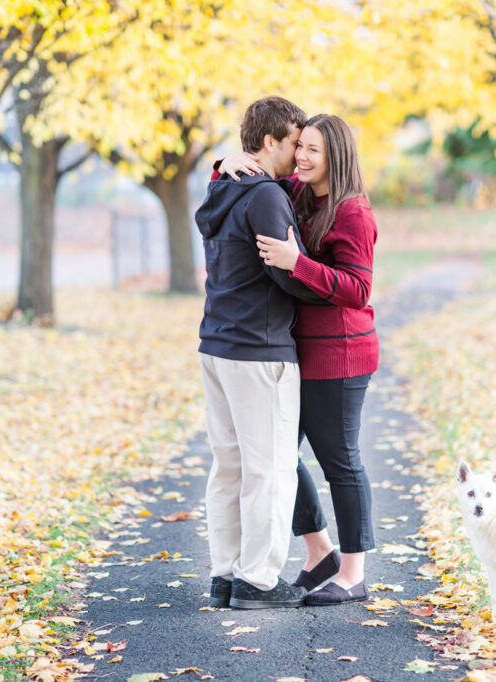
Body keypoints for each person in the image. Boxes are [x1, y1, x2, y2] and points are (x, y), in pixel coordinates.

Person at [218, 114, 379, 605]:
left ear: (336, 156)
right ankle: (318, 552)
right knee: (278, 457)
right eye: (300, 146)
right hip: (298, 349)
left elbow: (358, 289)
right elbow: (239, 182)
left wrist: (297, 263)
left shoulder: (353, 211)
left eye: (314, 150)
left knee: (340, 462)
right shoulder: (297, 192)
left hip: (342, 353)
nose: (302, 157)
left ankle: (352, 574)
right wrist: (223, 161)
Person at [194, 96, 320, 610]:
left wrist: (222, 161)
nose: (298, 153)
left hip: (217, 345)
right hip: (259, 349)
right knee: (268, 468)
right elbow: (290, 274)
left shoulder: (222, 185)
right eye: (294, 142)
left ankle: (225, 575)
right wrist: (331, 283)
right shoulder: (266, 195)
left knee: (230, 466)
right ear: (269, 142)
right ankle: (259, 581)